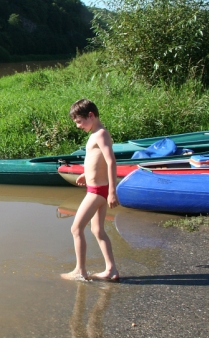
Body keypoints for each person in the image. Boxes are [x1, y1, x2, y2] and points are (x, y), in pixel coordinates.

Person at [61, 99, 120, 282]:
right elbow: (97, 160)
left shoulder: (101, 134)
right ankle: (111, 270)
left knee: (76, 228)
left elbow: (111, 161)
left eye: (79, 121)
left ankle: (80, 270)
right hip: (96, 187)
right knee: (97, 230)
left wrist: (112, 191)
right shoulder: (95, 134)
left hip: (98, 192)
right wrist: (86, 174)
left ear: (91, 116)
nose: (78, 126)